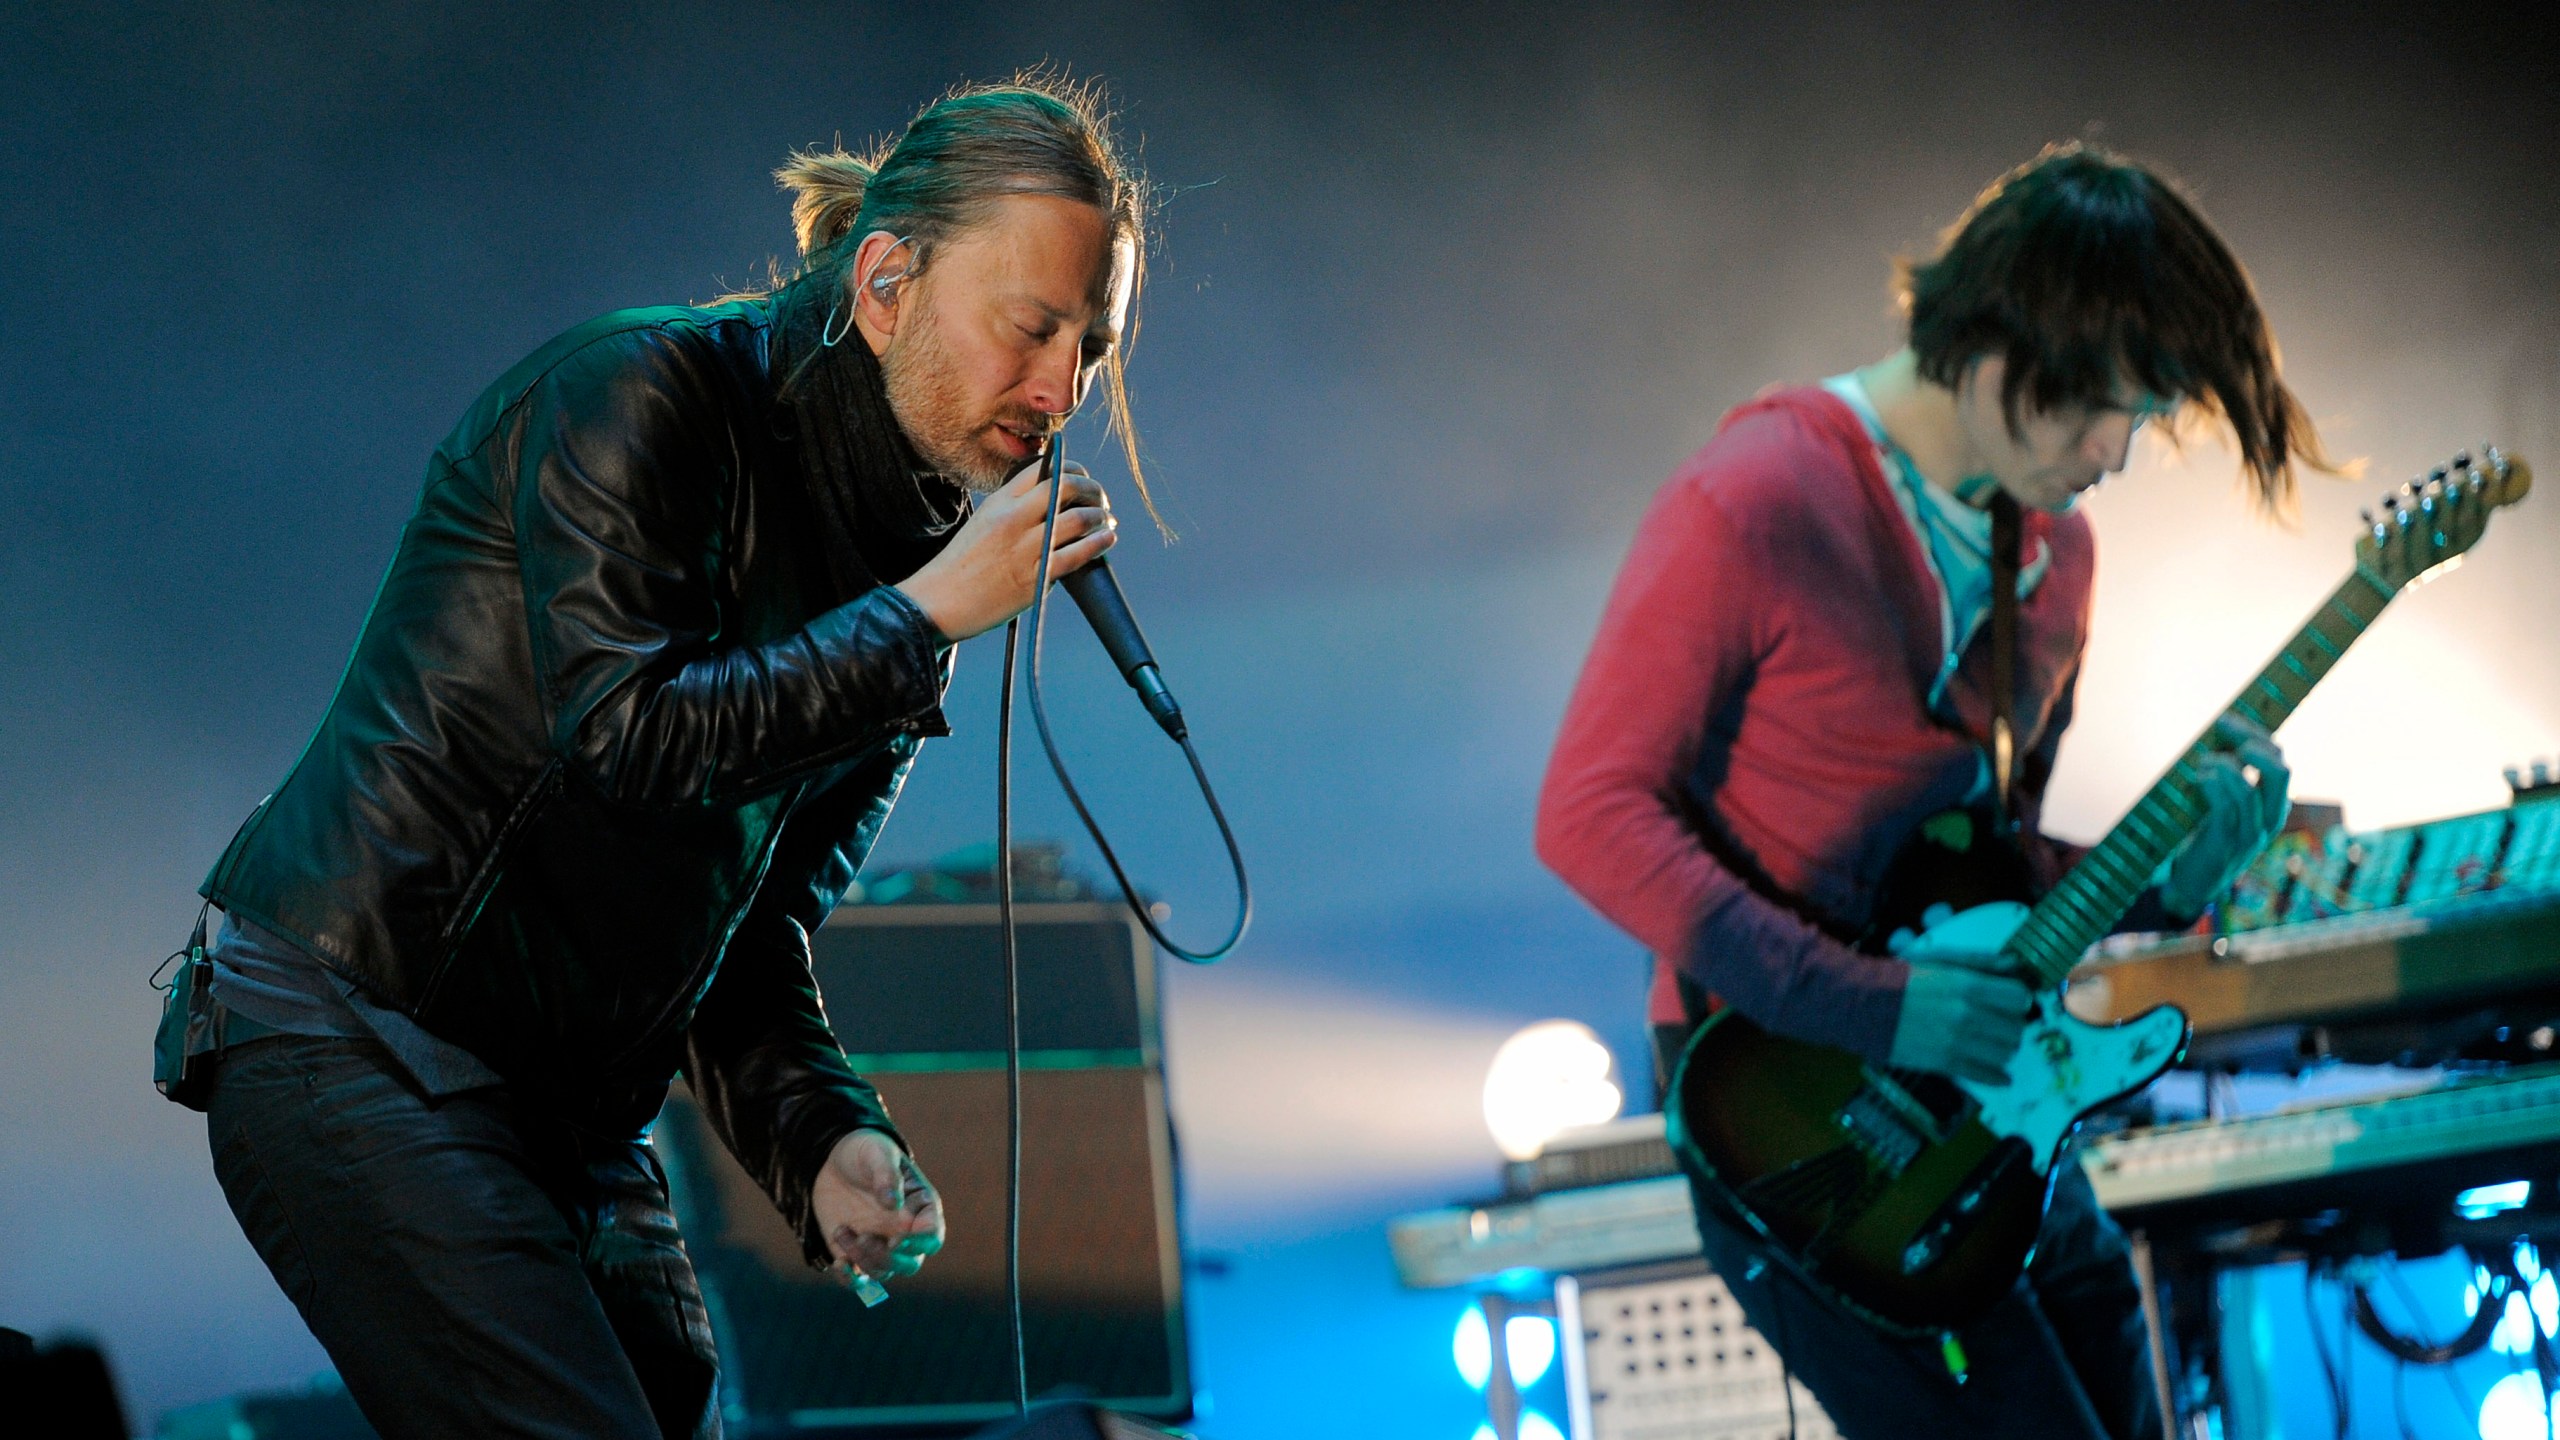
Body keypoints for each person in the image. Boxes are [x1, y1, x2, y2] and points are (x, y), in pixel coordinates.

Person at [173, 77, 1151, 1440]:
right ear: (885, 284)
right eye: (1033, 326)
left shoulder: (905, 579)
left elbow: (741, 930)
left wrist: (822, 1134)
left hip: (571, 1114)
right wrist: (919, 619)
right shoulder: (641, 394)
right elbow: (625, 744)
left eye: (1090, 347)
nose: (1060, 390)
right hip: (364, 1029)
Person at [1536, 143, 2325, 1440]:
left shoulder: (2059, 557)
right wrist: (1878, 1007)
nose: (2115, 452)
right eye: (2096, 407)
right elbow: (1588, 814)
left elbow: (1986, 867)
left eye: (2139, 416)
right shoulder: (1758, 499)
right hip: (1802, 1121)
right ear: (1998, 345)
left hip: (1982, 1103)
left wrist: (2164, 884)